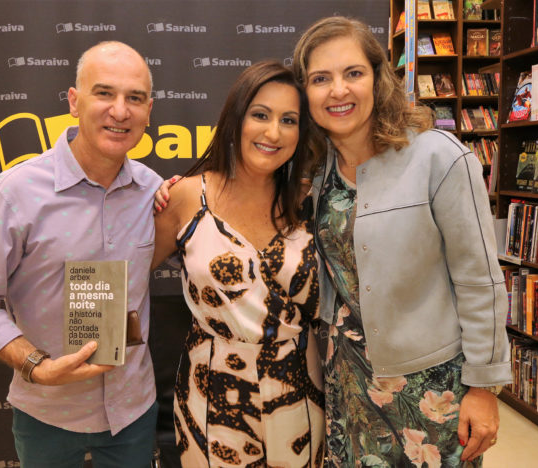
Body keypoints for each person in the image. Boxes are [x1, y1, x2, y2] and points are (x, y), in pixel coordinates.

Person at [292, 16, 512, 467]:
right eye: (321, 79)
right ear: (305, 92)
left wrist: (484, 388)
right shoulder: (315, 172)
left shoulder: (438, 157)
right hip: (346, 383)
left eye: (353, 73)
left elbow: (480, 281)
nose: (338, 91)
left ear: (377, 77)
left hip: (431, 390)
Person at [0, 41, 162, 468]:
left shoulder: (154, 191)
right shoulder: (13, 194)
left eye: (134, 98)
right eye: (104, 93)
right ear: (74, 102)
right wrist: (36, 366)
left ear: (149, 110)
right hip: (47, 412)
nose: (120, 111)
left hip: (133, 412)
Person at [152, 60, 324, 467]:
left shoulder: (314, 199)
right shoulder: (186, 197)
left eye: (289, 120)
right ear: (235, 118)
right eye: (260, 115)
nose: (272, 132)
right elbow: (118, 274)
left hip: (300, 389)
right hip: (212, 394)